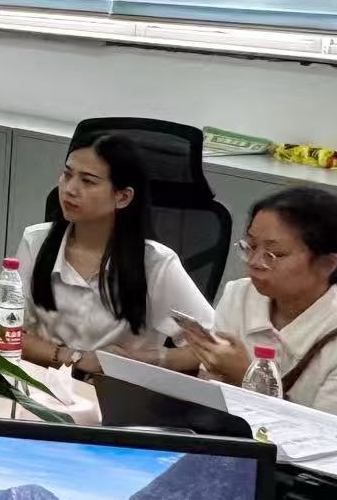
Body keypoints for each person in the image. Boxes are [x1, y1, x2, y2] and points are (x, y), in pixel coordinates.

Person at [173, 187, 337, 423]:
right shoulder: (239, 294)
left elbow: (330, 440)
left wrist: (247, 379)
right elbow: (209, 397)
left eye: (274, 253)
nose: (255, 262)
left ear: (327, 264)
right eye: (251, 246)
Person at [15, 133, 214, 375]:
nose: (69, 189)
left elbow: (211, 347)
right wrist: (72, 357)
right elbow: (5, 330)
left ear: (122, 197)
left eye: (88, 181)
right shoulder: (35, 242)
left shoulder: (156, 263)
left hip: (117, 390)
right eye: (67, 175)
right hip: (40, 383)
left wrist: (140, 360)